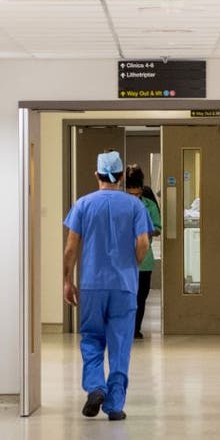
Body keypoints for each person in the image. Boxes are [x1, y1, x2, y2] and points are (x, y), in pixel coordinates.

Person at [63, 150, 152, 420]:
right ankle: (114, 405)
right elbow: (143, 243)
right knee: (120, 342)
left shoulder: (83, 205)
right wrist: (132, 265)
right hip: (124, 285)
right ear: (122, 176)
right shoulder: (135, 206)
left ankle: (95, 387)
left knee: (92, 337)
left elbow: (71, 248)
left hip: (91, 284)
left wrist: (67, 280)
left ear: (97, 175)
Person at [125, 165, 162, 340]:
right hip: (123, 260)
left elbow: (158, 228)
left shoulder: (149, 205)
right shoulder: (119, 204)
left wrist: (144, 231)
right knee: (125, 297)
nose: (134, 197)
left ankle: (135, 329)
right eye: (130, 194)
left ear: (141, 189)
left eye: (137, 193)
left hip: (144, 260)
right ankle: (125, 329)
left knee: (141, 297)